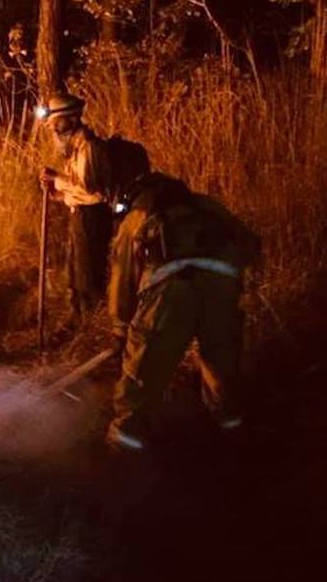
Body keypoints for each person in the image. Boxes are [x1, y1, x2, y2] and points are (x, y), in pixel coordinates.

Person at [106, 170, 261, 451]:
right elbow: (250, 244)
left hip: (170, 292)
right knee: (222, 362)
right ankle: (232, 434)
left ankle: (124, 448)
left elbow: (122, 278)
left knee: (142, 373)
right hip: (221, 287)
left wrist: (120, 327)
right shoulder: (206, 205)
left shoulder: (138, 216)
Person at [39, 91, 113, 324]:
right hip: (80, 214)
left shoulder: (89, 147)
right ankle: (78, 322)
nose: (52, 128)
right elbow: (76, 188)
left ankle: (92, 326)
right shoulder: (74, 148)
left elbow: (92, 191)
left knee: (88, 277)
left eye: (55, 122)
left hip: (92, 217)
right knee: (75, 274)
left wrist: (56, 179)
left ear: (71, 118)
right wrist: (57, 193)